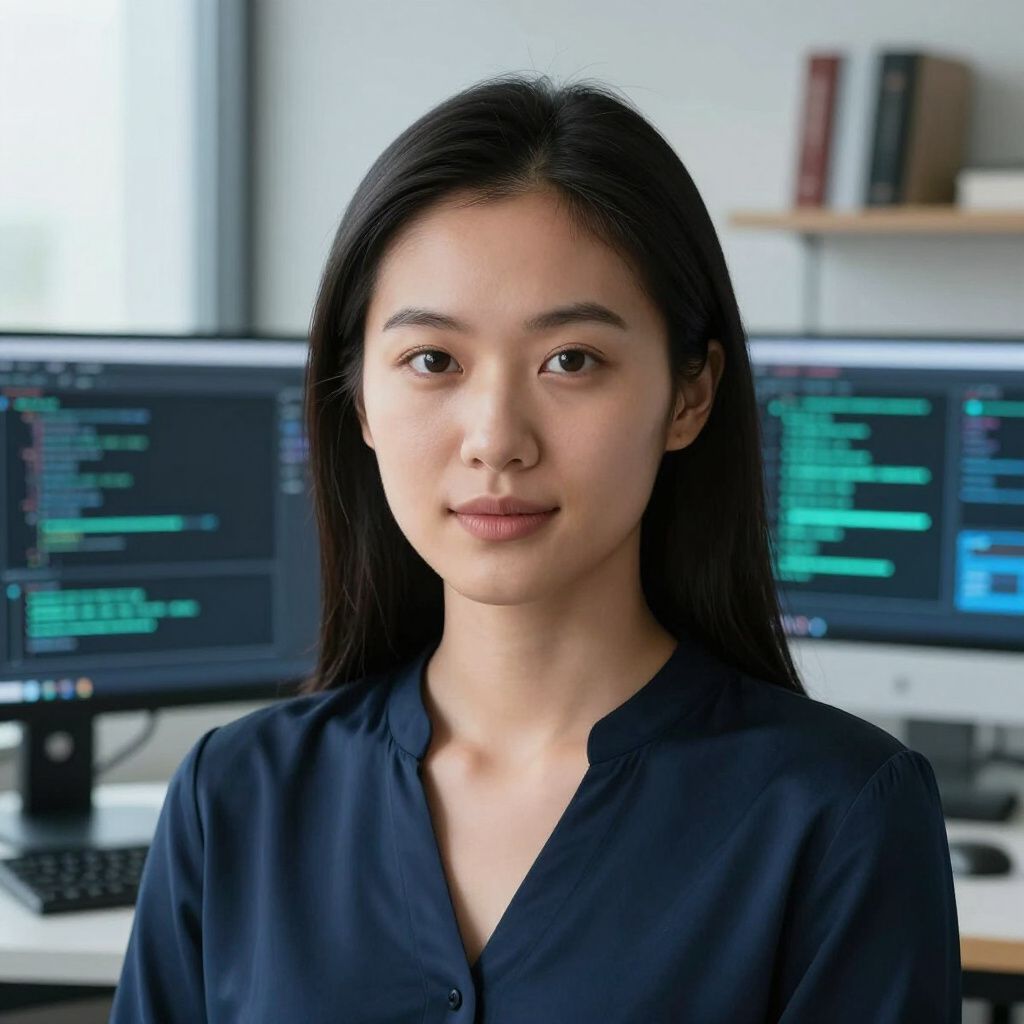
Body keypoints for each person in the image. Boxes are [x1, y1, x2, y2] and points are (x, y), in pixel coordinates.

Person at [110, 72, 961, 1022]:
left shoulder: (840, 814)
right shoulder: (236, 796)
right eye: (433, 361)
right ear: (357, 400)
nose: (496, 437)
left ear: (689, 396)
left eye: (573, 361)